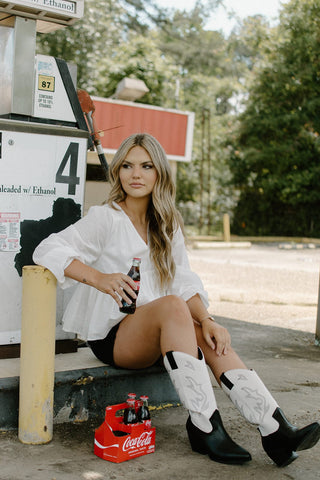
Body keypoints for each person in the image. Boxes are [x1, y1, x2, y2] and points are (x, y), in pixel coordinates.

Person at [33, 133, 320, 467]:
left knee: (207, 335)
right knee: (172, 305)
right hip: (114, 336)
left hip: (163, 332)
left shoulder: (167, 224)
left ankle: (276, 429)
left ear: (160, 174)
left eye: (146, 166)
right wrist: (99, 278)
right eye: (126, 165)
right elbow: (47, 249)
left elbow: (183, 280)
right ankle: (205, 425)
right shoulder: (106, 218)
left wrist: (208, 320)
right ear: (118, 172)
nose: (134, 174)